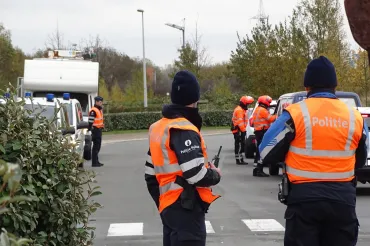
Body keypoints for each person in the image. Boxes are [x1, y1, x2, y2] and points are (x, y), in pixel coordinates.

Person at [259, 56, 368, 246]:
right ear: (335, 86)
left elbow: (266, 152)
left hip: (304, 200)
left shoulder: (296, 113)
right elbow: (360, 159)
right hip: (342, 200)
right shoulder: (354, 117)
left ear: (307, 86)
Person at [145, 70, 222, 246]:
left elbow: (150, 174)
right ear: (195, 98)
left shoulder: (158, 127)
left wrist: (164, 202)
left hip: (169, 210)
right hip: (186, 209)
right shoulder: (183, 128)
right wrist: (215, 174)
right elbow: (195, 174)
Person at [250, 95, 276, 177]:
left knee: (258, 150)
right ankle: (259, 170)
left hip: (258, 131)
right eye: (268, 102)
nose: (269, 104)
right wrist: (278, 115)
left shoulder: (257, 110)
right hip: (262, 132)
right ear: (265, 102)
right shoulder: (263, 110)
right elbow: (271, 119)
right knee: (262, 151)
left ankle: (256, 169)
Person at [231, 96, 254, 164]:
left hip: (239, 130)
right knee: (239, 145)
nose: (248, 105)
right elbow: (240, 122)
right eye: (247, 104)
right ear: (244, 103)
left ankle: (240, 159)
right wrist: (243, 130)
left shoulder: (241, 110)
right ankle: (238, 160)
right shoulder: (239, 110)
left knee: (240, 145)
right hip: (238, 130)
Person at [88, 96, 105, 167]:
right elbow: (90, 121)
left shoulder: (99, 109)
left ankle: (96, 161)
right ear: (96, 102)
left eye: (101, 102)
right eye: (100, 102)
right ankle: (94, 163)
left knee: (98, 146)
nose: (101, 103)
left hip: (99, 130)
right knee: (96, 147)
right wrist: (90, 129)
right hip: (95, 130)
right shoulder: (93, 111)